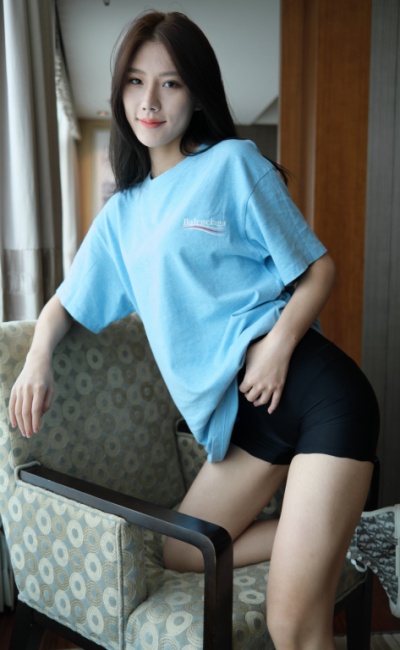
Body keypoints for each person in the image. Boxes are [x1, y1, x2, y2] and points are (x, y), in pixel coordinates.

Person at [8, 10, 398, 649]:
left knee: (292, 626)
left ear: (196, 94)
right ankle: (360, 532)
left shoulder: (233, 165)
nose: (150, 102)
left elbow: (319, 270)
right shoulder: (121, 217)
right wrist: (38, 356)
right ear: (119, 94)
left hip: (313, 392)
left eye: (171, 83)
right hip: (246, 420)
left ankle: (327, 533)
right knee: (184, 550)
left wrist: (277, 346)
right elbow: (65, 303)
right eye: (135, 82)